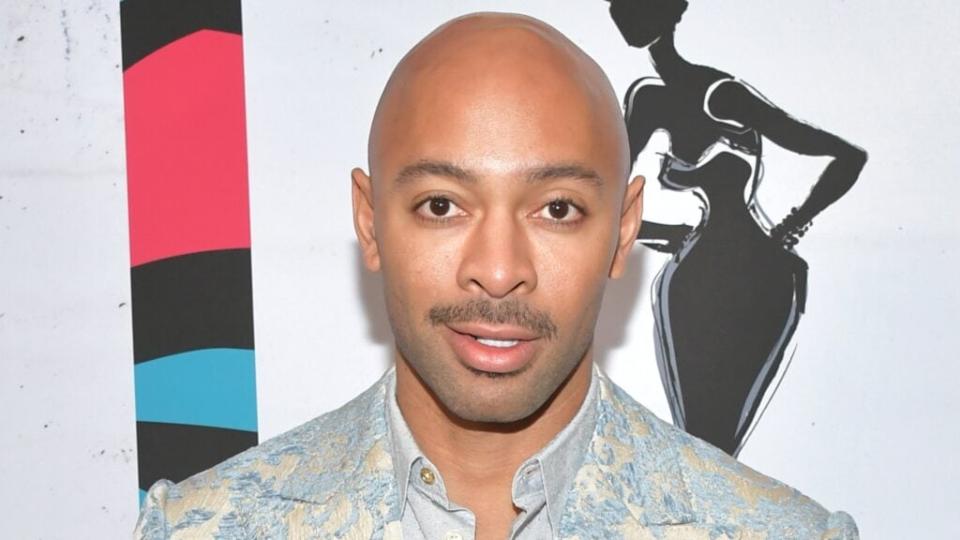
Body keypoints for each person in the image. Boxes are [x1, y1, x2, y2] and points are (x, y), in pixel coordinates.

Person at [135, 12, 858, 539]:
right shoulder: (206, 528)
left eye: (558, 209)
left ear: (623, 231)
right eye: (442, 205)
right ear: (370, 221)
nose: (499, 271)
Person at [606, 0, 867, 456]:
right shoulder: (646, 98)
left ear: (671, 12)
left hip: (757, 276)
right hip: (689, 277)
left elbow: (847, 157)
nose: (619, 10)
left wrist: (791, 227)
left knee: (718, 439)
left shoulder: (723, 94)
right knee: (699, 437)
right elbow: (601, 201)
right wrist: (663, 233)